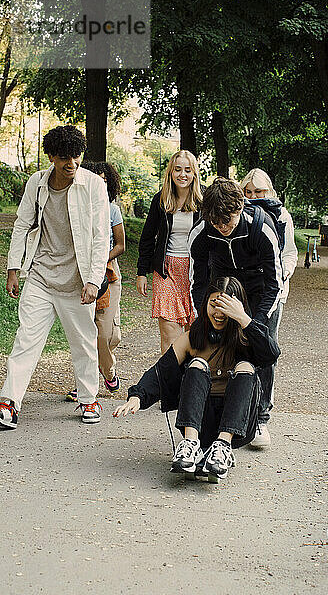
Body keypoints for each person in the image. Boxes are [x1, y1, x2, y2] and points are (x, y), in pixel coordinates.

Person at [113, 276, 280, 481]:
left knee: (246, 367)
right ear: (205, 305)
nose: (218, 313)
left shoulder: (246, 337)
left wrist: (244, 319)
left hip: (236, 425)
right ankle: (191, 445)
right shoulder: (193, 337)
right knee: (197, 364)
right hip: (199, 421)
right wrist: (137, 397)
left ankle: (223, 446)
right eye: (213, 305)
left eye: (225, 307)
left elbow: (271, 354)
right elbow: (162, 371)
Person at [0, 126, 109, 429]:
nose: (71, 164)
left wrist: (94, 280)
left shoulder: (93, 186)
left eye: (76, 156)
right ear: (51, 157)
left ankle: (88, 399)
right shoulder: (37, 183)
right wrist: (13, 269)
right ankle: (9, 402)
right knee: (25, 340)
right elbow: (22, 225)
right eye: (64, 158)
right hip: (41, 277)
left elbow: (102, 237)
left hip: (78, 283)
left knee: (83, 343)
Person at [188, 177, 283, 448]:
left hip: (260, 289)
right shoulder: (203, 232)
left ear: (240, 207)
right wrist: (205, 314)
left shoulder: (262, 229)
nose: (222, 228)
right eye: (216, 223)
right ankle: (222, 413)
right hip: (224, 286)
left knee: (261, 350)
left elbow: (275, 283)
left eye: (227, 222)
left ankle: (261, 416)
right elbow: (198, 280)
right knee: (221, 346)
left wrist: (255, 323)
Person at [241, 168, 298, 446]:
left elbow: (290, 254)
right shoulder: (240, 216)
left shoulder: (282, 216)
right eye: (248, 192)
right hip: (244, 292)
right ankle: (240, 412)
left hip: (272, 291)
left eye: (259, 192)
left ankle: (262, 416)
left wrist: (282, 272)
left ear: (269, 192)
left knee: (266, 348)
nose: (253, 197)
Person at [66, 161, 125, 402]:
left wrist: (99, 259)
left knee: (106, 335)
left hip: (108, 275)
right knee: (84, 333)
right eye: (95, 180)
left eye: (103, 181)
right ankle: (84, 385)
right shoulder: (76, 208)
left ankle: (108, 371)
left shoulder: (112, 210)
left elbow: (120, 245)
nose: (99, 184)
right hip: (80, 275)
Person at [136, 150, 203, 353]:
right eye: (178, 170)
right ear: (171, 173)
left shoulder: (204, 200)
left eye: (187, 170)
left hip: (195, 271)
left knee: (196, 334)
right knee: (169, 334)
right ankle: (170, 381)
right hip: (166, 271)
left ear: (194, 174)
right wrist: (142, 272)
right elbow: (147, 237)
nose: (182, 175)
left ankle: (191, 381)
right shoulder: (161, 199)